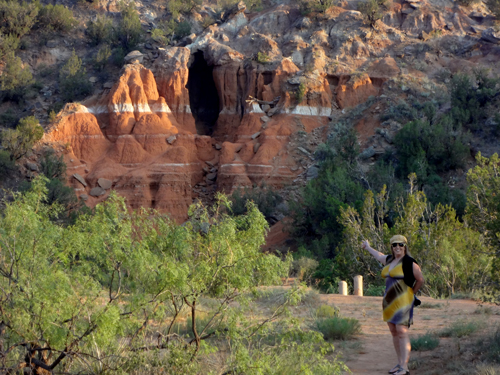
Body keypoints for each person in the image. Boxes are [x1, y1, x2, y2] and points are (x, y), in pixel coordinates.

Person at [361, 235, 424, 375]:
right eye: (395, 244)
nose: (397, 247)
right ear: (392, 246)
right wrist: (368, 247)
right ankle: (399, 363)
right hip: (388, 302)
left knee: (402, 331)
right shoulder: (389, 259)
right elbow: (379, 256)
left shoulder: (409, 262)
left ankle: (405, 367)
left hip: (403, 302)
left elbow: (420, 279)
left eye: (400, 245)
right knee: (394, 331)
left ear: (405, 246)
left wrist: (411, 294)